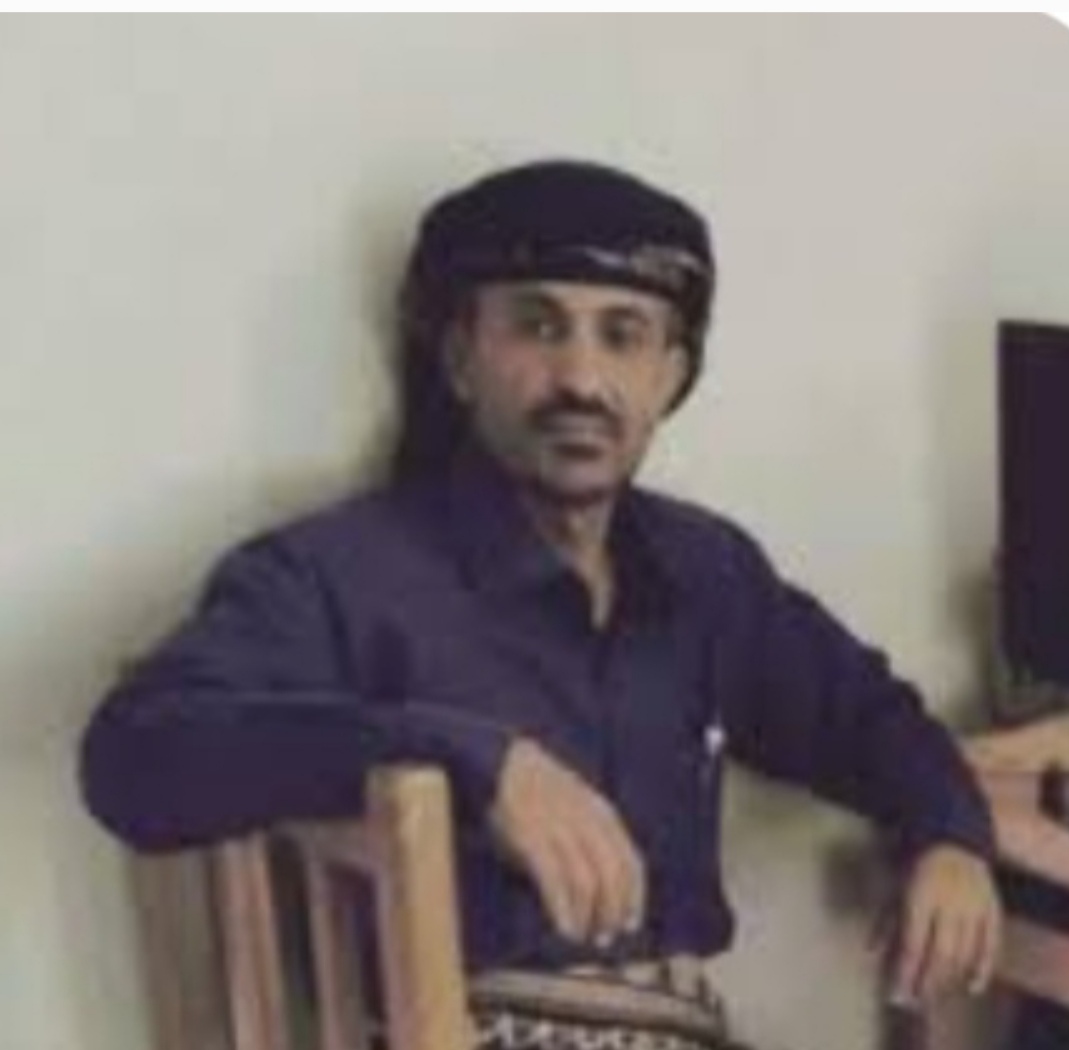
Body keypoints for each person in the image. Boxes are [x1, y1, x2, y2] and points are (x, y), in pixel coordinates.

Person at [80, 159, 1002, 1050]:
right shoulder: (338, 573)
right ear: (459, 358)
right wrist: (476, 763)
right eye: (537, 326)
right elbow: (134, 754)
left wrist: (951, 836)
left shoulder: (706, 573)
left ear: (671, 377)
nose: (581, 381)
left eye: (623, 335)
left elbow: (867, 718)